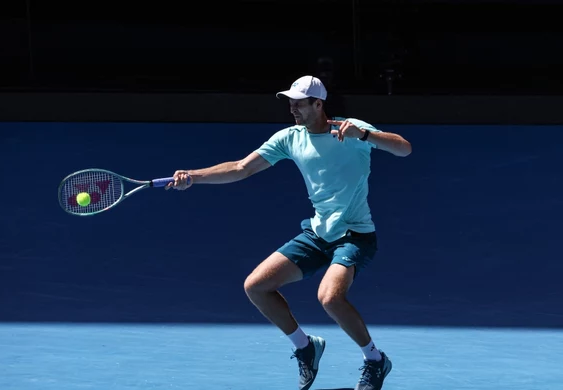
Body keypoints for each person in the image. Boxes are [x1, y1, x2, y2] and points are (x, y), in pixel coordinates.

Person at [166, 75, 412, 390]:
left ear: (318, 104)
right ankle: (305, 346)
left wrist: (364, 134)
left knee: (330, 298)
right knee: (256, 286)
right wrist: (194, 177)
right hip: (317, 233)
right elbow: (242, 168)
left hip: (354, 234)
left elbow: (404, 149)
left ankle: (375, 360)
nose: (293, 109)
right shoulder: (289, 138)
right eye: (291, 103)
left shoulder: (351, 129)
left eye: (299, 103)